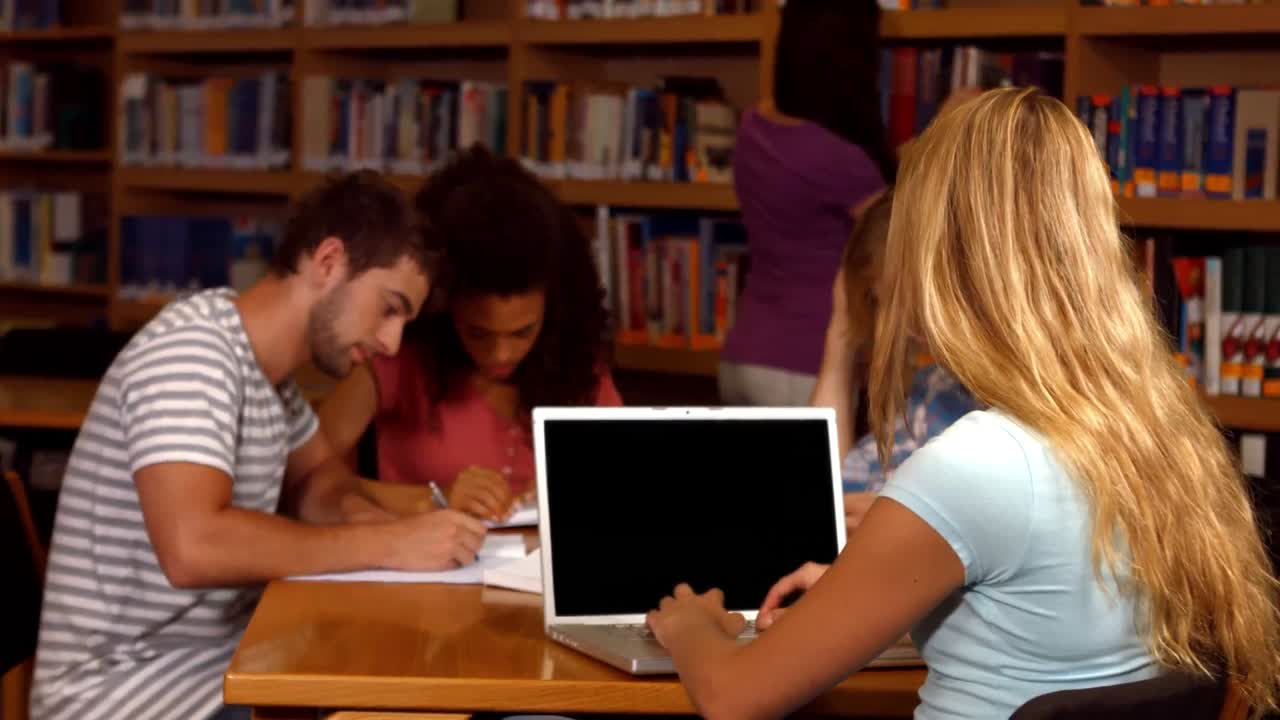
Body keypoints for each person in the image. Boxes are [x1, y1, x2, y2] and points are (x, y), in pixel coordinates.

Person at [645, 88, 1280, 719]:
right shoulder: (1156, 437)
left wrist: (690, 625)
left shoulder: (978, 465)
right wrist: (856, 599)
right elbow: (1038, 616)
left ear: (938, 257)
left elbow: (735, 698)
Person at [30, 172, 488, 720]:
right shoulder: (192, 355)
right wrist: (387, 545)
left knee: (419, 688)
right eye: (389, 308)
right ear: (328, 262)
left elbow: (318, 480)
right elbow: (194, 546)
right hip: (127, 694)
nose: (392, 343)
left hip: (217, 665)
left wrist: (374, 526)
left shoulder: (268, 376)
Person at [318, 147, 621, 523]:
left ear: (553, 313)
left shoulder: (578, 368)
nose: (500, 354)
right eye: (478, 332)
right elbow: (299, 477)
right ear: (443, 308)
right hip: (415, 556)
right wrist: (431, 499)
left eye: (522, 332)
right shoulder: (397, 356)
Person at [718, 0, 895, 407]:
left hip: (742, 354)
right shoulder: (839, 159)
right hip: (805, 364)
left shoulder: (752, 129)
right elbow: (897, 236)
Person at [811, 190, 982, 535]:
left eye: (909, 298)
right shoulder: (933, 387)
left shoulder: (992, 409)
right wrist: (840, 338)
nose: (904, 325)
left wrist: (904, 521)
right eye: (881, 302)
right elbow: (833, 494)